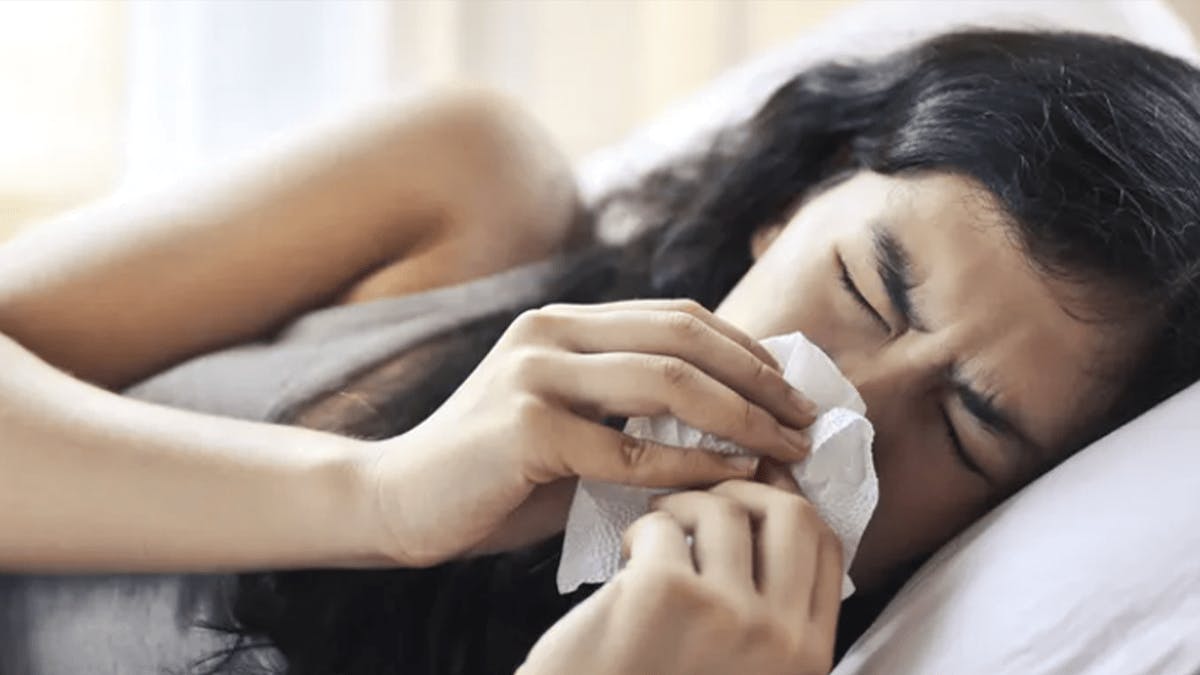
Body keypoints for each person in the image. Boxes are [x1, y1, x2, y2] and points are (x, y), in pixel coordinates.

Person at [3, 28, 1200, 675]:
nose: (837, 405)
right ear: (789, 202)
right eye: (865, 291)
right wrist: (384, 495)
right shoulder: (468, 191)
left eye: (968, 430)